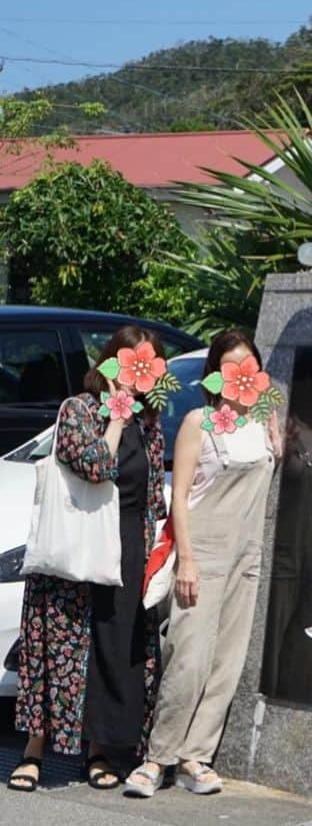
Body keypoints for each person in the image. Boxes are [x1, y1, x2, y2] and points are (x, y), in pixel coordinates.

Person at [8, 325, 168, 793]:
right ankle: (34, 752)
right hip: (76, 550)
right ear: (108, 363)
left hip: (125, 553)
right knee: (57, 653)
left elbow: (152, 495)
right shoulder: (77, 410)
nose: (136, 375)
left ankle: (96, 751)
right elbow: (98, 467)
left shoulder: (151, 424)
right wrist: (116, 417)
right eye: (128, 362)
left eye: (147, 366)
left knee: (108, 656)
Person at [125, 329, 281, 798]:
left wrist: (277, 432)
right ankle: (158, 757)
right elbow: (180, 498)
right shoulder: (201, 422)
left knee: (226, 661)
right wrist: (187, 560)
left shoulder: (264, 422)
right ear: (216, 376)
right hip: (204, 551)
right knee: (188, 658)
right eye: (233, 369)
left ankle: (197, 756)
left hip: (246, 555)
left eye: (250, 368)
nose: (243, 377)